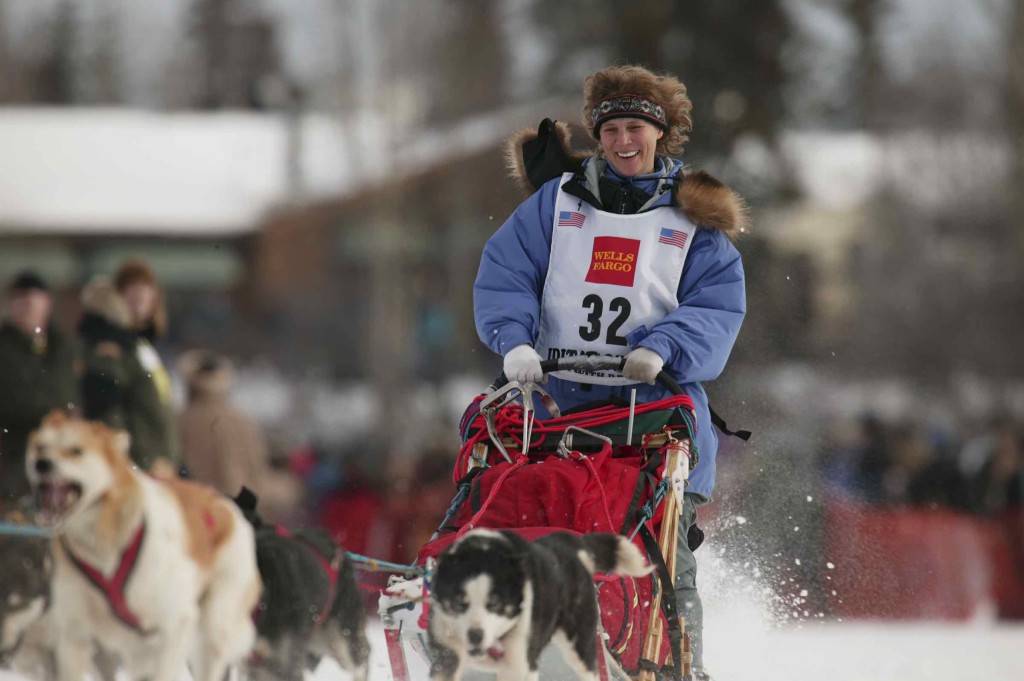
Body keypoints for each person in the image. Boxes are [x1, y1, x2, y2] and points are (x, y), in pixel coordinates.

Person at [474, 65, 748, 680]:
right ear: (598, 136)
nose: (625, 141)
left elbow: (718, 309)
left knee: (663, 557)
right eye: (613, 129)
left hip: (656, 416)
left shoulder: (695, 221)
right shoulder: (556, 204)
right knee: (537, 529)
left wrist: (666, 347)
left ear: (661, 133)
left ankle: (680, 667)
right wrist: (513, 342)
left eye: (637, 128)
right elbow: (505, 276)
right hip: (559, 410)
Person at [177, 349, 301, 522]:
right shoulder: (243, 422)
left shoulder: (179, 421)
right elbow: (257, 478)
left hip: (194, 517)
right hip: (240, 518)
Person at [78, 260, 179, 471]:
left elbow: (158, 410)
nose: (140, 296)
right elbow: (106, 410)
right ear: (116, 296)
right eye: (131, 289)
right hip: (135, 467)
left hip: (158, 465)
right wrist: (136, 463)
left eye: (147, 288)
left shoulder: (141, 345)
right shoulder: (108, 343)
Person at [0, 271, 78, 507]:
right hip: (15, 457)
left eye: (32, 301)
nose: (27, 308)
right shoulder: (5, 347)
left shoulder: (62, 347)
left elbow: (70, 393)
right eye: (21, 302)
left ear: (47, 303)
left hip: (60, 459)